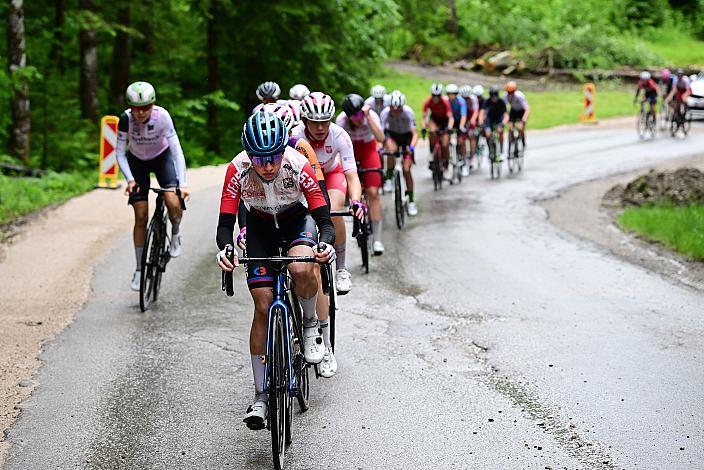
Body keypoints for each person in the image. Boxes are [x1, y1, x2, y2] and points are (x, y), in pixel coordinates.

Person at [216, 112, 335, 429]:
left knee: (300, 267)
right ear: (248, 154)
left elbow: (323, 218)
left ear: (284, 150)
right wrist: (226, 249)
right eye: (259, 158)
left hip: (297, 220)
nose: (267, 165)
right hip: (259, 228)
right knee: (262, 305)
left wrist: (325, 243)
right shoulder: (237, 169)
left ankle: (310, 326)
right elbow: (225, 224)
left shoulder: (298, 163)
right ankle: (260, 397)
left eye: (273, 157)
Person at [115, 81, 189, 291]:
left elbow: (176, 151)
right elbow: (120, 152)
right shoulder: (125, 120)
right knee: (140, 215)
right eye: (136, 108)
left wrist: (182, 184)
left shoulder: (162, 117)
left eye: (146, 107)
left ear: (153, 105)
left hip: (161, 158)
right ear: (130, 106)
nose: (140, 112)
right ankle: (139, 269)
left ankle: (175, 232)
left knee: (173, 202)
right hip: (137, 162)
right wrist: (130, 180)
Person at [291, 92, 366, 295]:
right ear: (304, 120)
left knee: (333, 211)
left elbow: (351, 175)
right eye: (315, 122)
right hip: (306, 177)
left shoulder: (340, 135)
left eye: (325, 121)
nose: (321, 127)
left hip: (332, 173)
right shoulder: (295, 135)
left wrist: (357, 201)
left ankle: (341, 269)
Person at [336, 94, 386, 255]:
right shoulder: (342, 120)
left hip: (368, 150)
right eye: (354, 116)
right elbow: (338, 147)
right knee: (348, 188)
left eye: (360, 114)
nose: (358, 119)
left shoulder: (370, 115)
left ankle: (377, 239)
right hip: (350, 151)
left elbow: (381, 138)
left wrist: (368, 117)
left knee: (373, 192)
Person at [380, 90, 419, 216]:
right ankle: (389, 177)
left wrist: (411, 148)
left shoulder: (408, 112)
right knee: (391, 151)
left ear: (402, 107)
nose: (396, 112)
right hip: (393, 135)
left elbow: (415, 134)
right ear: (389, 107)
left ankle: (412, 200)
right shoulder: (385, 113)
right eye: (393, 109)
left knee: (406, 169)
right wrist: (381, 146)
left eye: (398, 109)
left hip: (407, 137)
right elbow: (381, 133)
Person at [421, 83, 454, 169]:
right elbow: (424, 117)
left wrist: (449, 128)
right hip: (434, 119)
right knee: (432, 132)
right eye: (433, 96)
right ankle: (432, 153)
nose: (435, 98)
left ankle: (445, 160)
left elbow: (450, 117)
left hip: (445, 121)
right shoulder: (428, 101)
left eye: (438, 96)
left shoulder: (445, 102)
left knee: (444, 144)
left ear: (441, 95)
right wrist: (424, 127)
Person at [478, 86, 507, 158]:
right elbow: (481, 112)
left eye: (495, 95)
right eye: (492, 95)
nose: (494, 97)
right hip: (489, 118)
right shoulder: (487, 101)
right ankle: (490, 150)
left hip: (499, 118)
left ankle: (501, 149)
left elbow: (506, 115)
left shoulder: (501, 102)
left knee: (500, 131)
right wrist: (481, 122)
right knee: (488, 134)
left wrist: (503, 123)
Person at [503, 81, 530, 147]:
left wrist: (524, 119)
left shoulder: (519, 96)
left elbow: (527, 109)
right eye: (508, 92)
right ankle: (511, 142)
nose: (510, 94)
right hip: (513, 110)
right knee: (510, 127)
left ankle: (523, 142)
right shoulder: (505, 96)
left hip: (522, 111)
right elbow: (503, 108)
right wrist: (505, 118)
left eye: (511, 92)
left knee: (521, 128)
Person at [459, 85, 479, 173]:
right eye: (464, 98)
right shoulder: (460, 100)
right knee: (461, 139)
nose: (466, 99)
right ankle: (462, 157)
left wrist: (473, 120)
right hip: (462, 118)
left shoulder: (474, 99)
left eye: (467, 98)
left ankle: (472, 157)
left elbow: (475, 111)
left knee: (471, 136)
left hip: (470, 118)